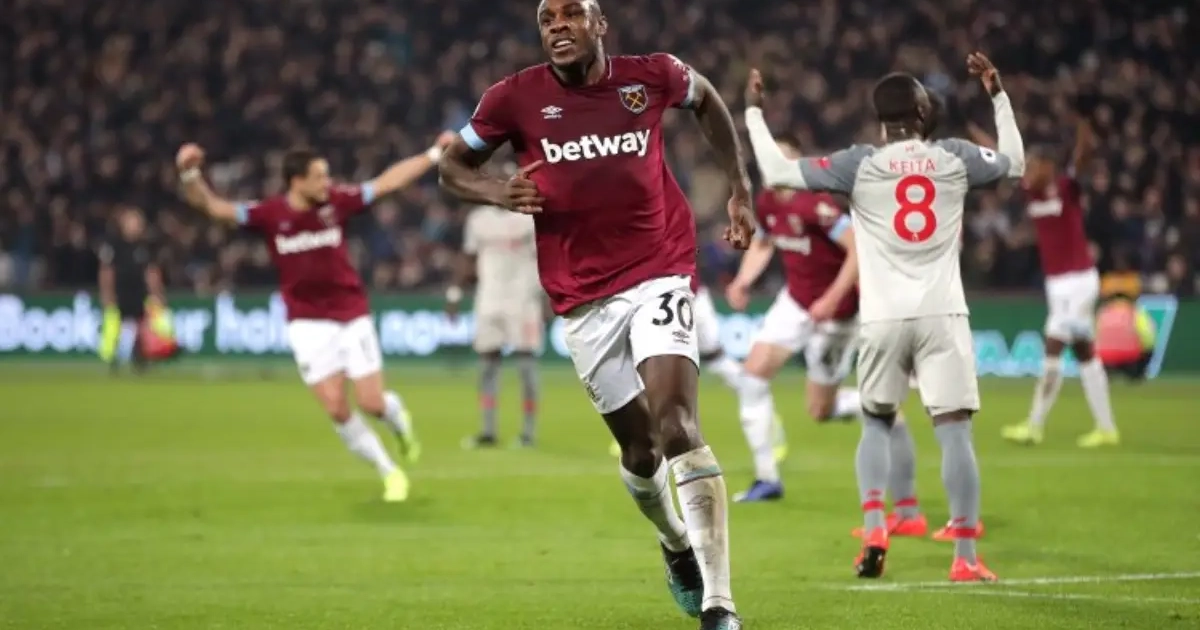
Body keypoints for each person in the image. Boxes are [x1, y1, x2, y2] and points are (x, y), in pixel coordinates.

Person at [437, 1, 754, 626]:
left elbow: (708, 99)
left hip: (660, 268)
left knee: (677, 426)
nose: (558, 26)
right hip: (583, 299)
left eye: (571, 14)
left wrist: (740, 186)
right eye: (546, 19)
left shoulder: (652, 76)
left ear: (599, 24)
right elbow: (451, 166)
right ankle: (674, 541)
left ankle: (719, 604)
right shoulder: (512, 98)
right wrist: (496, 190)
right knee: (640, 452)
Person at [743, 52, 1025, 582]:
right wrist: (998, 97)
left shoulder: (859, 163)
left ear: (880, 121)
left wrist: (754, 112)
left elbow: (777, 170)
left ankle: (876, 527)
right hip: (942, 312)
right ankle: (965, 556)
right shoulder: (955, 156)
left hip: (881, 316)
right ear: (922, 115)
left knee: (875, 421)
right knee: (954, 432)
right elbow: (1014, 162)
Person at [173, 134, 453, 503]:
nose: (327, 183)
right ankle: (390, 472)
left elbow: (387, 182)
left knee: (371, 403)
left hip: (350, 313)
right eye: (319, 177)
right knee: (336, 408)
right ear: (297, 181)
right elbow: (213, 207)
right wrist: (189, 174)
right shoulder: (269, 215)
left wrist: (433, 154)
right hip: (306, 323)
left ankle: (399, 423)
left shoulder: (337, 202)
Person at [725, 135, 921, 523]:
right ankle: (767, 478)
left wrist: (832, 300)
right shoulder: (767, 201)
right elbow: (764, 242)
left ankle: (875, 404)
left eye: (784, 158)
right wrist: (743, 280)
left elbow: (858, 250)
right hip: (796, 302)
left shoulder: (816, 204)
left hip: (837, 315)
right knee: (752, 375)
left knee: (820, 410)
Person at [988, 115, 1118, 447]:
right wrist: (974, 133)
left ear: (1049, 166)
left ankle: (1035, 425)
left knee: (1053, 347)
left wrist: (1084, 122)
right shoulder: (1030, 193)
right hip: (1057, 284)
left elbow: (1083, 155)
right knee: (1085, 353)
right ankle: (1106, 429)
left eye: (1034, 164)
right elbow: (1000, 158)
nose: (1029, 169)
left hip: (1079, 281)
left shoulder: (1066, 187)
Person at [447, 171, 545, 449]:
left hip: (524, 299)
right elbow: (468, 257)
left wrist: (548, 295)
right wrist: (454, 293)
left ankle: (528, 433)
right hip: (489, 299)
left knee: (526, 366)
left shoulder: (529, 217)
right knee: (487, 366)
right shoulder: (478, 220)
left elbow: (546, 255)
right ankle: (488, 430)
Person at [608, 273, 745, 458]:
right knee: (650, 366)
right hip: (665, 297)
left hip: (684, 297)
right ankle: (646, 434)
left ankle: (754, 397)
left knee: (714, 360)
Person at [98, 207, 164, 374]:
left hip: (139, 292)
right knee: (117, 325)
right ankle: (115, 359)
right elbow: (107, 271)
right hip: (120, 291)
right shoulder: (114, 245)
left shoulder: (145, 246)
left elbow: (151, 271)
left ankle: (140, 358)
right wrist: (107, 293)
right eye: (132, 221)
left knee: (142, 324)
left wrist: (156, 293)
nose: (136, 225)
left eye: (138, 222)